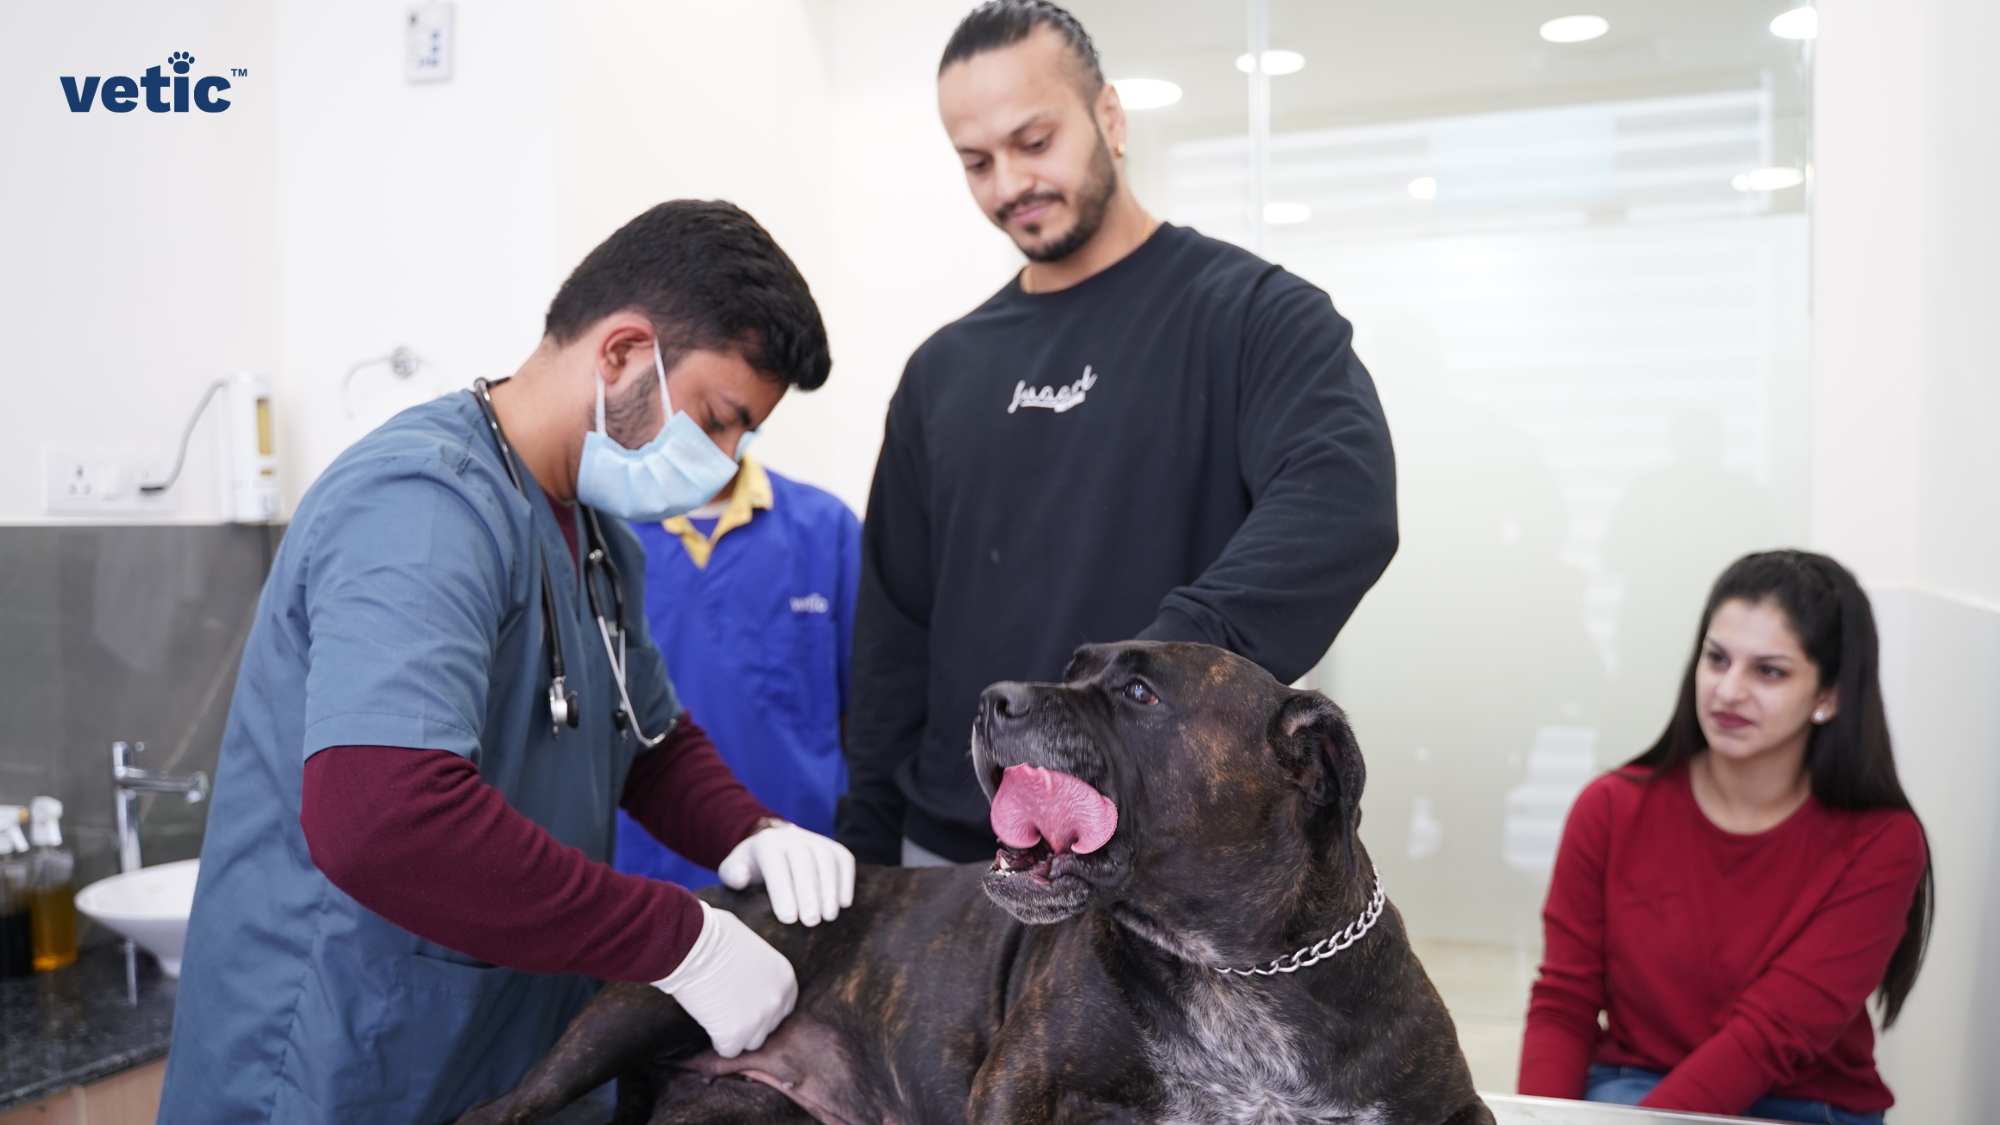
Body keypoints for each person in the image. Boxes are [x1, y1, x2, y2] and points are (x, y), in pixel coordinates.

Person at [162, 200, 856, 1124]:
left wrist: (747, 830)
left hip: (506, 1055)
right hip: (345, 1063)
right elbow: (381, 817)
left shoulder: (603, 537)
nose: (726, 461)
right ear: (620, 354)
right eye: (719, 419)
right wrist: (679, 939)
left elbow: (645, 737)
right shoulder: (422, 507)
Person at [838, 0, 1399, 867]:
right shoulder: (941, 371)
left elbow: (1343, 503)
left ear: (1109, 116)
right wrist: (867, 846)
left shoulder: (1254, 316)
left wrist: (1145, 679)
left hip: (1172, 852)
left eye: (1034, 141)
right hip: (961, 855)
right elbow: (892, 635)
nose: (1008, 184)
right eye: (976, 161)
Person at [1519, 550, 1934, 1123]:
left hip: (1804, 1107)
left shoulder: (1882, 843)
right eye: (1717, 660)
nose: (1728, 691)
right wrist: (1539, 1119)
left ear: (1829, 696)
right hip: (1631, 1090)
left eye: (1769, 671)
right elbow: (1564, 1003)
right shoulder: (1610, 809)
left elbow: (1771, 1037)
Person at [616, 456, 861, 888]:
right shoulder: (604, 534)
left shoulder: (827, 531)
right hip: (638, 875)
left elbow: (864, 720)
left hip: (795, 874)